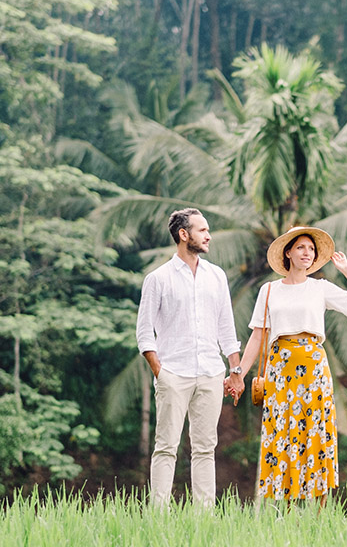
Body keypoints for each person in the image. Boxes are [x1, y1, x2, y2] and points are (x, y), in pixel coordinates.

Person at [226, 226, 347, 504]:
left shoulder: (320, 288)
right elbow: (257, 336)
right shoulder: (269, 290)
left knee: (315, 431)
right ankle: (288, 507)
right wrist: (239, 374)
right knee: (282, 430)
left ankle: (318, 509)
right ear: (288, 252)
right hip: (280, 367)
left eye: (311, 249)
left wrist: (346, 270)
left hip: (313, 365)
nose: (307, 253)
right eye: (301, 248)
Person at [135, 208, 242, 507]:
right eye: (202, 230)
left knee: (205, 448)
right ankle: (159, 514)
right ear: (184, 235)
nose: (208, 236)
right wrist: (161, 372)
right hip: (173, 374)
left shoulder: (216, 276)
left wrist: (235, 369)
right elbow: (144, 333)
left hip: (210, 372)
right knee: (166, 447)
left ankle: (204, 517)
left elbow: (226, 327)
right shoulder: (158, 279)